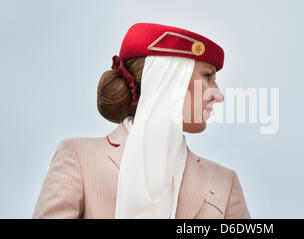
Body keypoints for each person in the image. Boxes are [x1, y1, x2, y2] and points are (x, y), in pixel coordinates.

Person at [32, 23, 251, 219]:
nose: (219, 95)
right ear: (167, 80)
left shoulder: (225, 182)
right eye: (207, 76)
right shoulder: (78, 158)